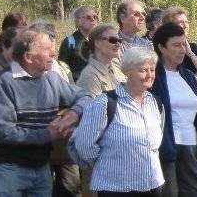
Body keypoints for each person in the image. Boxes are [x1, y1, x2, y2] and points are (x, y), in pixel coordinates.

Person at [0, 28, 92, 197]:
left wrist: (73, 114)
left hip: (41, 165)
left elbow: (86, 96)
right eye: (46, 49)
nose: (53, 53)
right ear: (28, 57)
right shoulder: (4, 82)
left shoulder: (51, 79)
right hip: (10, 168)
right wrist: (47, 134)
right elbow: (5, 133)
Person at [70, 47, 165, 197]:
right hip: (115, 188)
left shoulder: (155, 103)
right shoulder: (105, 103)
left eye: (152, 70)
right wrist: (107, 162)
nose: (149, 75)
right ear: (127, 72)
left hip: (152, 185)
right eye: (143, 70)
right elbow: (84, 145)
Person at [151, 23, 197, 197]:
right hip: (165, 147)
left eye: (184, 45)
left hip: (191, 145)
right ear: (162, 48)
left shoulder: (188, 75)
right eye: (176, 45)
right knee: (169, 193)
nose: (182, 50)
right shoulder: (152, 77)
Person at [158, 6, 197, 81]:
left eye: (186, 22)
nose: (185, 26)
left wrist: (190, 54)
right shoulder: (163, 48)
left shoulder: (194, 47)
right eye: (180, 22)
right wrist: (195, 77)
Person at [76, 24, 126, 95]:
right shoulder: (90, 76)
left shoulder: (117, 67)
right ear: (97, 43)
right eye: (113, 40)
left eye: (120, 40)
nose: (118, 44)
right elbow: (92, 105)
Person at [59, 6, 99, 80]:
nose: (93, 19)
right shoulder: (69, 42)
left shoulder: (102, 40)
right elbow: (62, 69)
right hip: (78, 86)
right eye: (88, 17)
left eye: (95, 17)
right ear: (78, 21)